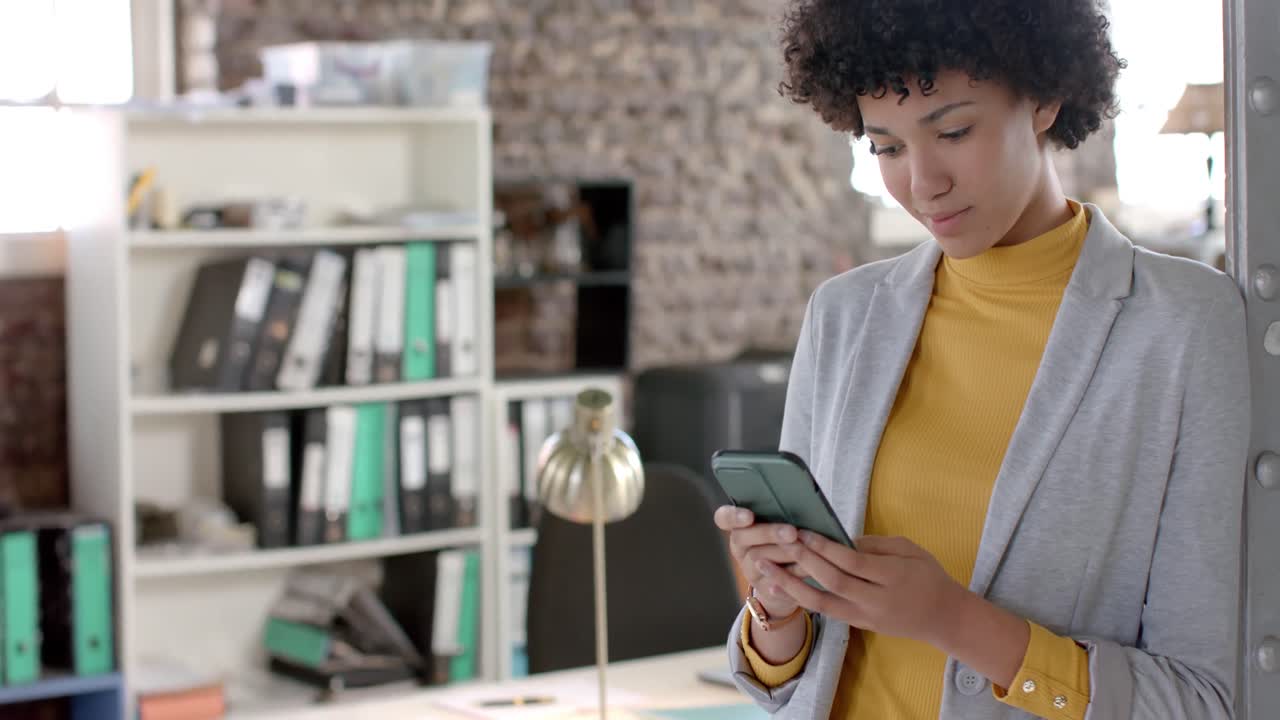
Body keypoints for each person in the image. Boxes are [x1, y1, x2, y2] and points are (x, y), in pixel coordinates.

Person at [713, 1, 1250, 719]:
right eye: (887, 149)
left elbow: (1204, 699)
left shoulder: (1187, 327)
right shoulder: (844, 316)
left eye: (955, 130)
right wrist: (775, 609)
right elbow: (784, 679)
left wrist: (954, 622)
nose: (922, 182)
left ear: (1045, 98)